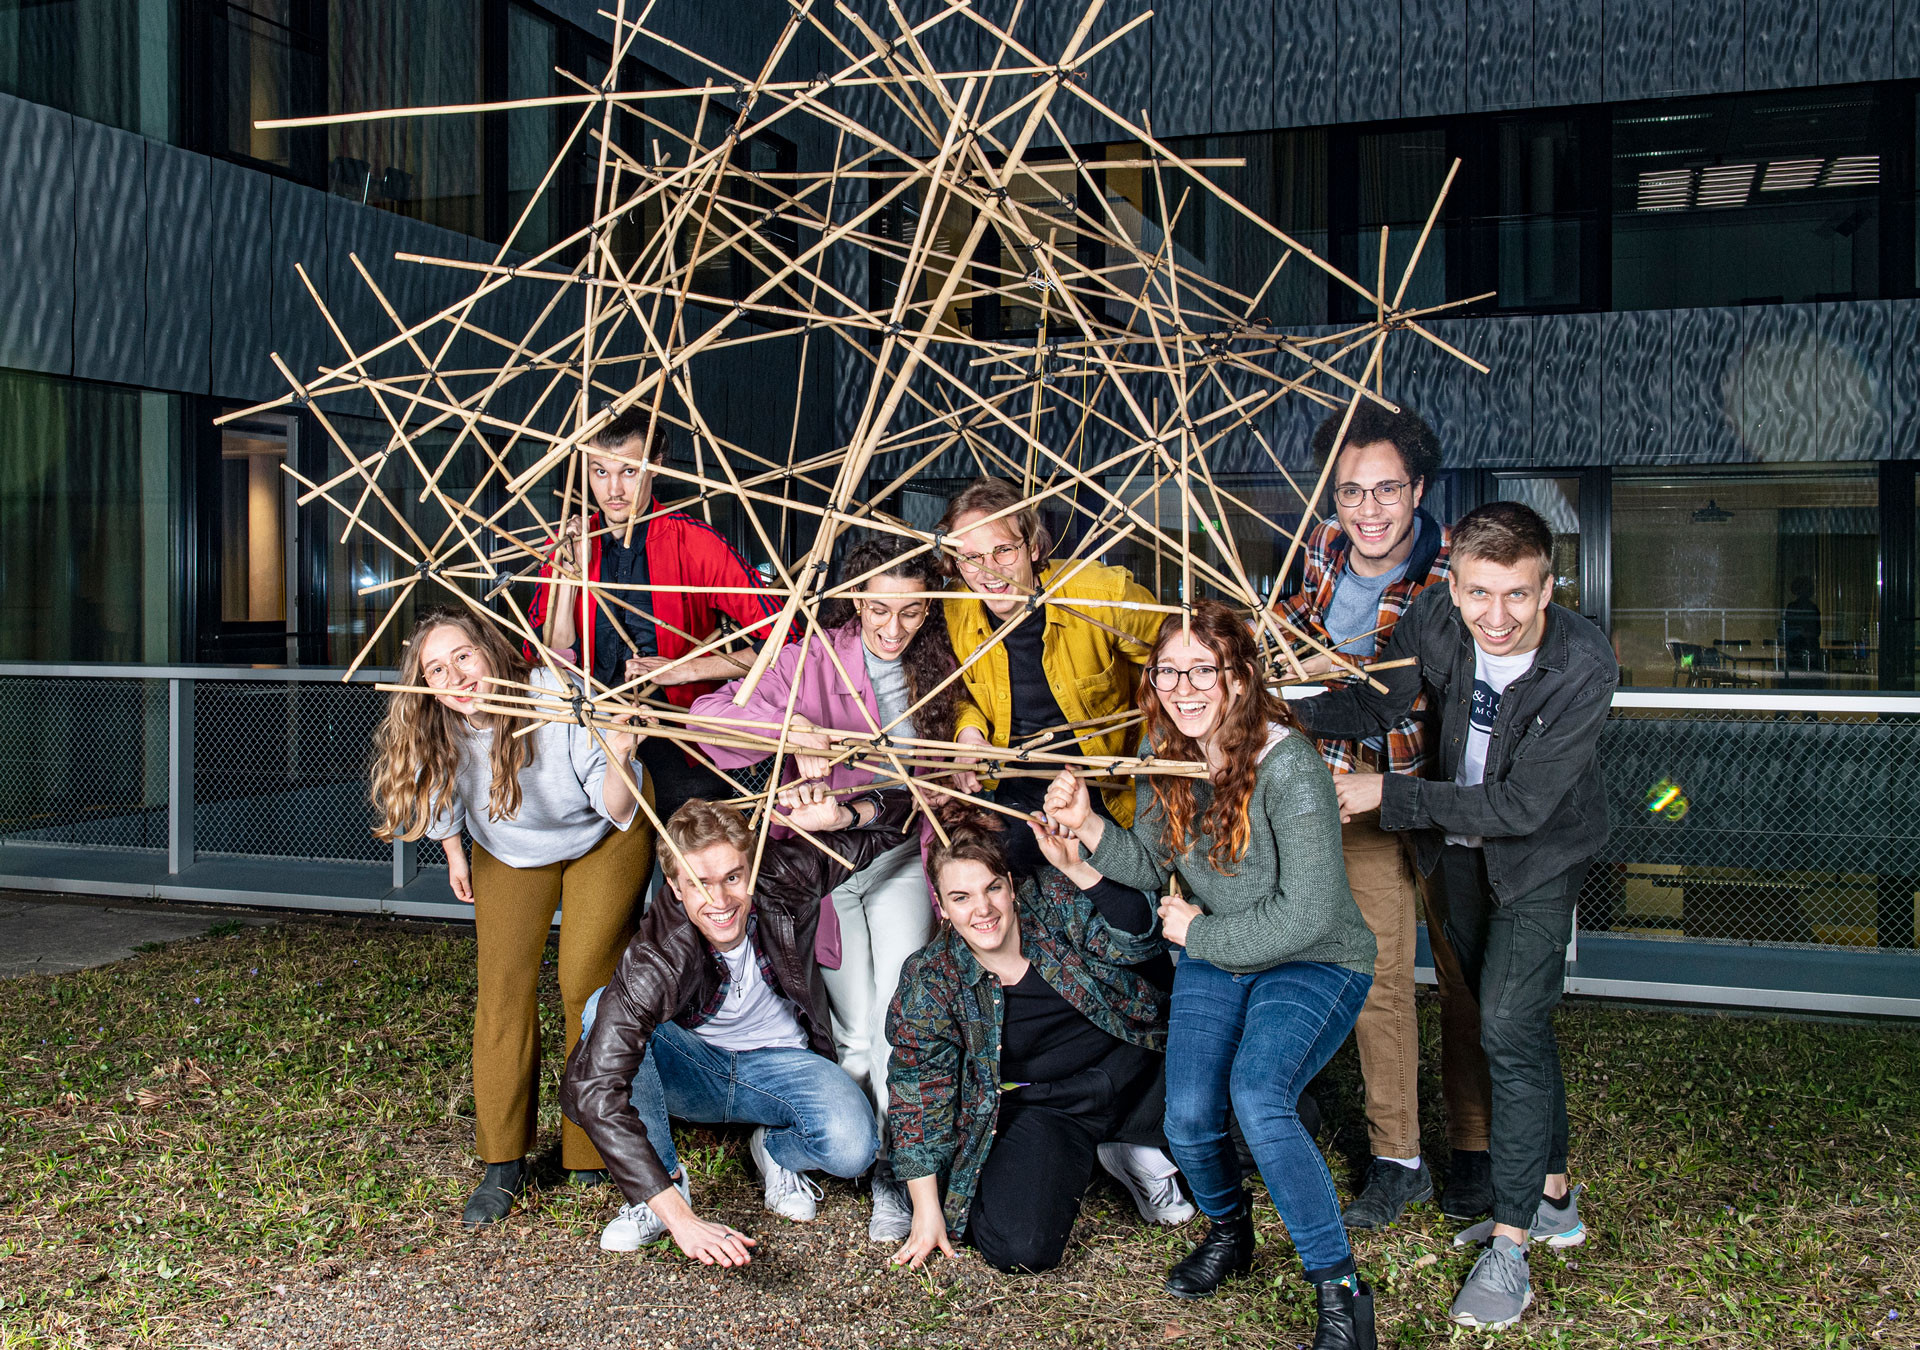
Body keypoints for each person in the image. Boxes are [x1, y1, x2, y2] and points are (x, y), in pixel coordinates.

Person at [1291, 501, 1618, 1332]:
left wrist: (1389, 794)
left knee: (1505, 1022)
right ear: (1456, 585)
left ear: (1548, 588)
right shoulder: (1436, 617)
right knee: (1510, 1020)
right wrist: (1270, 704)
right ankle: (1551, 1196)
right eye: (1479, 593)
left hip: (1537, 856)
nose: (1495, 616)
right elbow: (1377, 707)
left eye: (1517, 594)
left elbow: (1521, 804)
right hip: (1459, 853)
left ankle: (1510, 1247)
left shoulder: (1583, 662)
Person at [1043, 599, 1380, 1350]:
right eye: (1168, 672)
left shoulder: (1289, 766)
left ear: (1241, 678)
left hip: (1313, 959)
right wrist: (1089, 824)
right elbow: (1148, 862)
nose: (1184, 688)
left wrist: (1199, 933)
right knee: (1189, 1116)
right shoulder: (1167, 754)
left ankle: (1341, 1293)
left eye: (1204, 670)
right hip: (1218, 954)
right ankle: (1231, 1231)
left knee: (1259, 1096)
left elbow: (1309, 913)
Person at [689, 534, 968, 1242]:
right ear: (854, 600)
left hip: (899, 856)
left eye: (911, 611)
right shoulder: (810, 658)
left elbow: (949, 760)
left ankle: (895, 1174)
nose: (893, 627)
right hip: (827, 870)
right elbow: (706, 720)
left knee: (899, 1016)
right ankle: (837, 1144)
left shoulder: (943, 661)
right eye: (879, 608)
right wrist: (791, 727)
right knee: (853, 1034)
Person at [1275, 401, 1493, 1230]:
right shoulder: (1320, 551)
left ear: (1419, 489)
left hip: (1442, 796)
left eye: (1387, 490)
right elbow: (1289, 634)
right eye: (1350, 492)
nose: (1368, 511)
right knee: (1377, 979)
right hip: (1345, 793)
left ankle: (1476, 1151)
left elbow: (1388, 699)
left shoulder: (1453, 574)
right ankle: (1399, 1160)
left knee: (1468, 980)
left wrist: (1298, 691)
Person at [370, 608, 654, 1226]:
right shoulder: (438, 723)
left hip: (604, 830)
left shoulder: (553, 691)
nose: (454, 676)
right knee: (502, 989)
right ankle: (503, 1162)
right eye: (436, 669)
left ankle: (590, 1148)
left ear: (489, 650)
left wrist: (619, 755)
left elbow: (613, 803)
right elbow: (438, 791)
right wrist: (455, 853)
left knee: (584, 982)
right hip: (510, 844)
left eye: (463, 656)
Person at [560, 786, 914, 1264]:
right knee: (599, 1006)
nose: (721, 900)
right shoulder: (657, 954)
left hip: (785, 1064)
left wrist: (843, 816)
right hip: (696, 1067)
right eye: (700, 882)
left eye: (732, 877)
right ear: (675, 884)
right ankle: (662, 1191)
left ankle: (775, 1149)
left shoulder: (787, 874)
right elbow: (597, 1087)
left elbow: (903, 817)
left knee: (855, 1148)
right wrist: (682, 1222)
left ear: (751, 866)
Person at [885, 826, 1193, 1277]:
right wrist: (927, 1209)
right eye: (961, 898)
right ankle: (1111, 1152)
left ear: (1011, 886)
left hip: (1134, 1065)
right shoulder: (931, 978)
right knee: (1020, 1247)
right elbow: (917, 1092)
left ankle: (1139, 1150)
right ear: (944, 907)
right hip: (1048, 1105)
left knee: (1268, 1117)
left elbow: (1139, 939)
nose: (982, 909)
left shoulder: (1051, 899)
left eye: (992, 888)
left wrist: (1077, 867)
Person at [528, 407, 788, 824]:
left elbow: (786, 639)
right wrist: (568, 576)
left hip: (679, 741)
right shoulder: (566, 544)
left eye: (629, 472)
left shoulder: (696, 543)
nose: (613, 489)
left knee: (694, 857)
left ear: (657, 466)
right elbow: (545, 660)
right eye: (599, 472)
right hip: (587, 739)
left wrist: (686, 669)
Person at [938, 477, 1162, 873]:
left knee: (1124, 893)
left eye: (1004, 550)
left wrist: (1162, 746)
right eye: (970, 557)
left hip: (1107, 792)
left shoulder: (1101, 595)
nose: (989, 570)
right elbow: (955, 690)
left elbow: (1177, 663)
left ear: (1034, 547)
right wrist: (968, 732)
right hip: (1013, 794)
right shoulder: (952, 609)